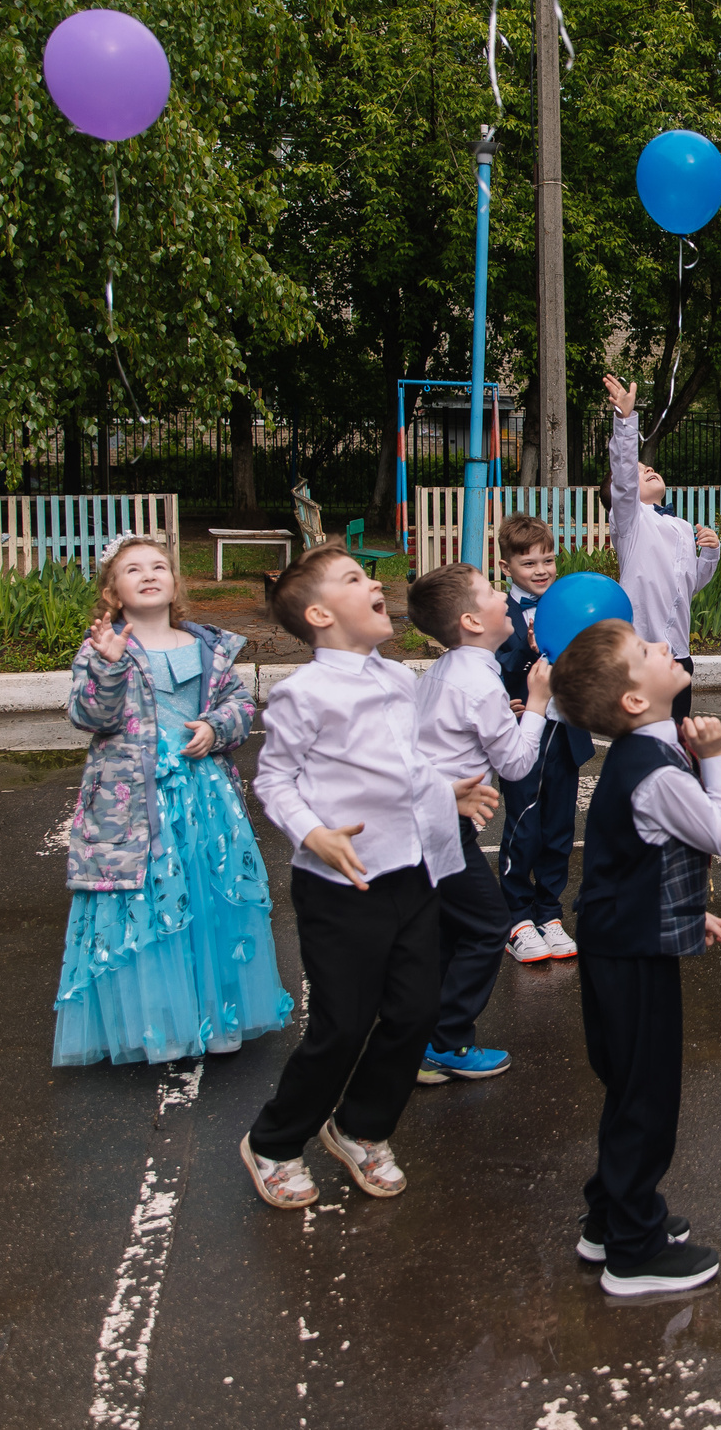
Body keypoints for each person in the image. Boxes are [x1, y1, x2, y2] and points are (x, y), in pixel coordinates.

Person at [241, 548, 499, 1210]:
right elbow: (274, 779)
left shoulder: (397, 680)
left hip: (411, 872)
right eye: (356, 579)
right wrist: (313, 833)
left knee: (414, 1012)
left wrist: (450, 793)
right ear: (321, 614)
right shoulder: (305, 692)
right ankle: (273, 1140)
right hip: (340, 883)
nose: (377, 582)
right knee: (343, 1024)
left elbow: (403, 768)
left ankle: (361, 1127)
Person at [548, 618, 721, 1295]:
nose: (664, 647)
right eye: (647, 651)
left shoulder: (647, 755)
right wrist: (717, 755)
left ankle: (611, 1217)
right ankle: (633, 1250)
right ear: (634, 699)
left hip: (621, 941)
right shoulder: (656, 769)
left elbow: (640, 857)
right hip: (629, 952)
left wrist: (693, 911)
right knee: (646, 1097)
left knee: (632, 1085)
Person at [55, 535, 291, 1068]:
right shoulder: (103, 649)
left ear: (175, 583)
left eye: (158, 565)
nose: (148, 574)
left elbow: (239, 704)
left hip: (205, 797)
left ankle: (214, 1017)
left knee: (208, 897)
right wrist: (109, 668)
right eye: (132, 569)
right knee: (148, 900)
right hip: (135, 801)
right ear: (112, 591)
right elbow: (89, 717)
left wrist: (214, 726)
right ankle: (158, 1022)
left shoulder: (206, 647)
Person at [408, 561, 555, 1083]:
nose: (503, 597)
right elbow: (516, 765)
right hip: (445, 823)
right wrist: (537, 705)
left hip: (428, 820)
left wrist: (511, 714)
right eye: (492, 591)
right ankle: (446, 1042)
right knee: (489, 926)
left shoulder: (450, 672)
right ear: (472, 621)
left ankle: (428, 1035)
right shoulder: (479, 684)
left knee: (453, 927)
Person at [490, 513, 591, 966]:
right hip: (521, 733)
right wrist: (527, 652)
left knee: (559, 829)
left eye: (548, 559)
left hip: (565, 732)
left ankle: (548, 911)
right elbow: (493, 663)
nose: (542, 569)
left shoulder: (568, 605)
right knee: (523, 826)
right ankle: (516, 917)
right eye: (529, 562)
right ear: (507, 565)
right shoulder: (500, 613)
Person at [602, 374, 721, 720]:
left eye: (649, 466)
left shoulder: (682, 526)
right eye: (641, 472)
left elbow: (690, 584)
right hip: (642, 653)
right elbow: (622, 476)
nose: (649, 468)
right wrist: (625, 422)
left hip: (679, 656)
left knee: (677, 739)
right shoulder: (629, 520)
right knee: (642, 736)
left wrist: (710, 554)